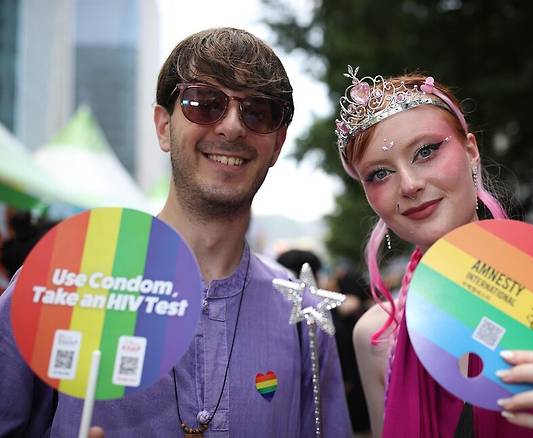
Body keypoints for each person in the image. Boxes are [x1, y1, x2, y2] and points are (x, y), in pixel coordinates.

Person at [0, 27, 351, 437]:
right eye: (204, 103)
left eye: (258, 112)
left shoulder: (304, 316)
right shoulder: (65, 280)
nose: (232, 127)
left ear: (277, 144)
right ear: (163, 126)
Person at [334, 68, 533, 437]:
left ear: (471, 151)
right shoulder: (376, 338)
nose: (409, 185)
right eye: (379, 174)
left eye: (426, 151)